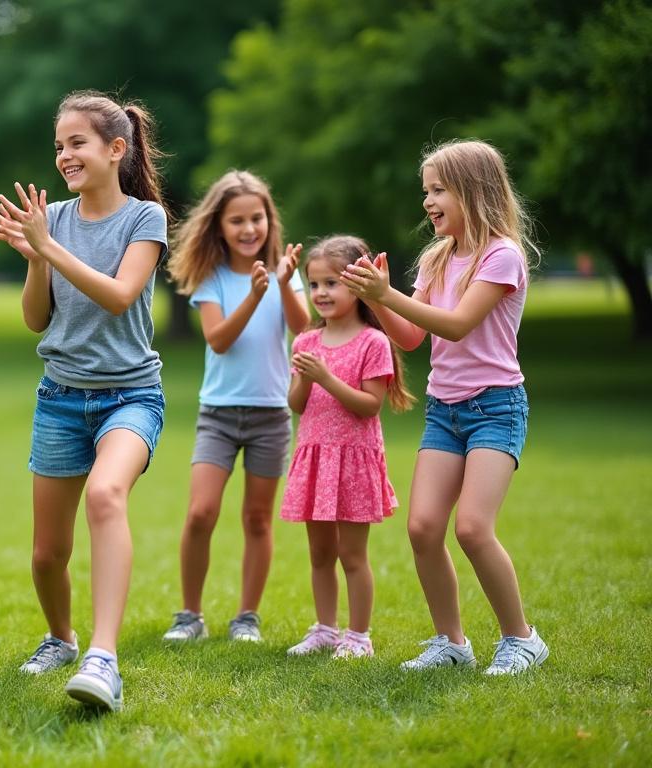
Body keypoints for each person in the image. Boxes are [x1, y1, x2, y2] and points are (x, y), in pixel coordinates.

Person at [0, 91, 168, 712]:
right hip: (60, 397)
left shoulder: (144, 219)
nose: (64, 155)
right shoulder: (53, 220)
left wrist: (48, 247)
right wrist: (39, 257)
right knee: (46, 555)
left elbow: (120, 295)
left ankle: (103, 657)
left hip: (131, 396)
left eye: (76, 143)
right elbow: (37, 318)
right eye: (59, 144)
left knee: (106, 494)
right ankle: (61, 638)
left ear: (116, 150)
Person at [341, 139, 548, 675]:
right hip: (445, 409)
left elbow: (456, 325)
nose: (428, 201)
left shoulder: (500, 255)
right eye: (425, 191)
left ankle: (521, 638)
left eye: (438, 190)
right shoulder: (438, 257)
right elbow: (413, 338)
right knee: (423, 528)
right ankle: (451, 643)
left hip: (496, 407)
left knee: (474, 528)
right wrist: (375, 299)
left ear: (473, 192)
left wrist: (386, 296)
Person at [160, 170, 309, 644]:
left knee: (257, 519)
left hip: (270, 414)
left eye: (257, 218)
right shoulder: (212, 278)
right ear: (219, 227)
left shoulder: (287, 272)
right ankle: (190, 616)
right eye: (237, 221)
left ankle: (247, 616)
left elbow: (305, 331)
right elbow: (218, 340)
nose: (249, 229)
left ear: (270, 220)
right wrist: (254, 295)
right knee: (201, 512)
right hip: (219, 415)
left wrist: (283, 284)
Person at [280, 235, 414, 659]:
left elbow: (369, 406)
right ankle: (324, 628)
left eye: (331, 283)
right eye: (314, 284)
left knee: (351, 554)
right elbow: (297, 405)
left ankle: (358, 637)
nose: (320, 293)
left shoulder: (372, 343)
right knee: (320, 553)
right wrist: (305, 377)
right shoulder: (306, 341)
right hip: (315, 456)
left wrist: (325, 377)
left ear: (357, 284)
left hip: (353, 459)